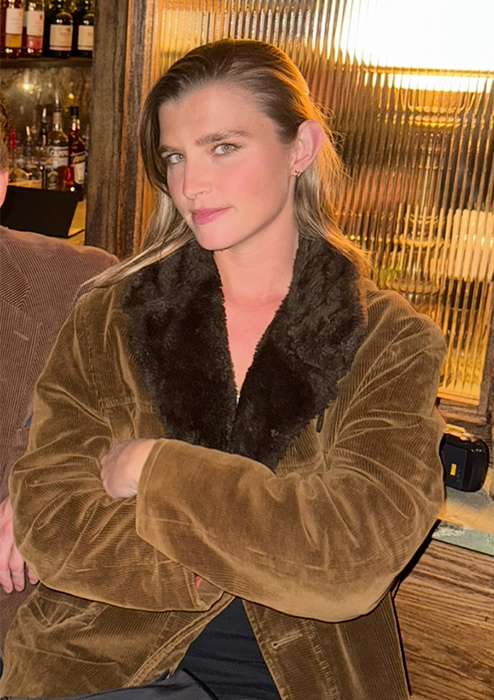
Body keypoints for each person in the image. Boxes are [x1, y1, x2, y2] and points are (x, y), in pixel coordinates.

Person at [0, 39, 446, 700]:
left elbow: (351, 561)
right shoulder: (111, 314)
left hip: (306, 677)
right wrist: (254, 554)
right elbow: (50, 518)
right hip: (96, 669)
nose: (191, 185)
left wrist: (152, 466)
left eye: (224, 147)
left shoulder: (389, 339)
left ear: (300, 148)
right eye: (176, 157)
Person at [0, 93, 117, 660]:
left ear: (1, 182)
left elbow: (154, 422)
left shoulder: (81, 286)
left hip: (26, 647)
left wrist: (49, 482)